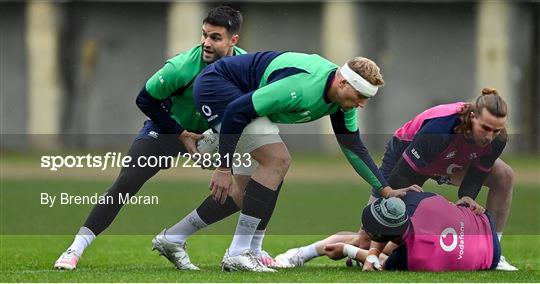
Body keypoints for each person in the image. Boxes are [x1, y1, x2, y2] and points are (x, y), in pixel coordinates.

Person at [189, 51, 421, 272]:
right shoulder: (301, 86)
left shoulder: (342, 101)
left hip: (243, 100)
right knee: (277, 160)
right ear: (342, 83)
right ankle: (238, 252)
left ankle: (223, 246)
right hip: (215, 85)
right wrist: (222, 168)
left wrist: (386, 190)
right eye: (361, 96)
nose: (362, 104)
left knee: (270, 170)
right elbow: (235, 112)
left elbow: (354, 148)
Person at [54, 5, 246, 270]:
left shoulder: (245, 67)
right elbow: (145, 99)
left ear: (233, 40)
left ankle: (177, 240)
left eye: (215, 38)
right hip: (167, 130)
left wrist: (219, 142)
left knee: (250, 186)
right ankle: (74, 249)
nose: (206, 43)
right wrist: (180, 133)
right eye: (204, 35)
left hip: (212, 137)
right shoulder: (182, 66)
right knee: (126, 183)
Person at [275, 89, 517, 270]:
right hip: (404, 161)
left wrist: (466, 197)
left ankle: (493, 249)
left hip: (452, 160)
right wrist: (412, 200)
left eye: (496, 130)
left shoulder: (497, 139)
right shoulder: (440, 128)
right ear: (472, 116)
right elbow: (403, 173)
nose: (490, 136)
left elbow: (477, 173)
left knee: (504, 175)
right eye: (485, 128)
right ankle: (300, 253)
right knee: (369, 236)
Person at [276, 192, 504, 272]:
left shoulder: (410, 258)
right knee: (371, 248)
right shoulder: (419, 201)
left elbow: (378, 264)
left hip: (487, 255)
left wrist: (349, 250)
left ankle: (303, 253)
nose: (364, 230)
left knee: (364, 246)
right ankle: (302, 254)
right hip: (484, 224)